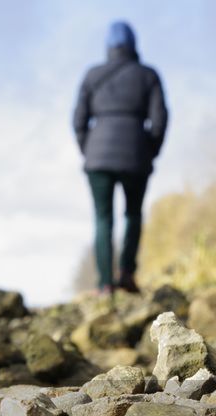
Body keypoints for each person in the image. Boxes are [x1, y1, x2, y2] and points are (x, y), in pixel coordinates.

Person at [73, 20, 168, 295]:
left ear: (109, 47)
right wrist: (151, 149)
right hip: (136, 154)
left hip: (97, 158)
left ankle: (105, 284)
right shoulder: (148, 75)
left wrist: (88, 149)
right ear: (133, 45)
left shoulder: (92, 75)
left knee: (103, 219)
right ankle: (126, 274)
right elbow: (160, 119)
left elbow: (78, 120)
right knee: (133, 214)